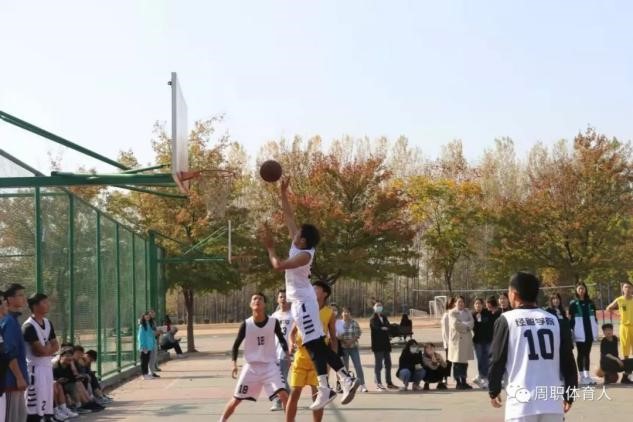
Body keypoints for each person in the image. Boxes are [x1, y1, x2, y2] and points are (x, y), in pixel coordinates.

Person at [260, 176, 358, 409]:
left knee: (315, 344)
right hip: (299, 303)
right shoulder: (299, 244)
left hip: (304, 301)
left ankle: (344, 379)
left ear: (303, 240)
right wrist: (283, 193)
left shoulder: (305, 255)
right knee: (312, 344)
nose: (293, 234)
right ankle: (327, 387)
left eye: (297, 234)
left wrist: (270, 248)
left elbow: (278, 265)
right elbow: (289, 216)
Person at [489, 272, 577, 422]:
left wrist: (494, 389)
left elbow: (497, 359)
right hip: (552, 403)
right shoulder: (555, 321)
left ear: (514, 294)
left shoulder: (506, 320)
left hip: (521, 404)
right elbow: (568, 362)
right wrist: (570, 395)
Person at [220, 293, 289, 421]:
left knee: (284, 395)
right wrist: (234, 364)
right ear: (250, 304)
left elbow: (281, 339)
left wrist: (287, 354)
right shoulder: (246, 324)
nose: (257, 300)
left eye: (260, 299)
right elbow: (236, 345)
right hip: (251, 367)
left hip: (270, 366)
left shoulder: (273, 322)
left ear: (264, 304)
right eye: (254, 299)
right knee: (236, 399)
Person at [285, 282, 336, 422]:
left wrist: (332, 362)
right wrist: (291, 343)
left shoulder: (329, 313)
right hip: (300, 358)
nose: (312, 290)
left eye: (316, 288)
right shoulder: (304, 308)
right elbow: (292, 332)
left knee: (318, 396)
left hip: (318, 360)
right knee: (294, 393)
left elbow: (333, 339)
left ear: (325, 294)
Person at [22, 293, 60, 422]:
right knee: (34, 406)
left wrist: (46, 350)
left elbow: (56, 346)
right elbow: (39, 351)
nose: (48, 304)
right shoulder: (29, 326)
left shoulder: (48, 323)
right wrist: (47, 348)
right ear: (35, 306)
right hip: (35, 370)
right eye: (44, 302)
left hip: (47, 367)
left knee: (46, 404)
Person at [0, 283, 28, 422]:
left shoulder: (13, 320)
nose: (24, 298)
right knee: (11, 418)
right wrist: (19, 377)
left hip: (15, 380)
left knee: (20, 417)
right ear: (9, 299)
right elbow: (9, 352)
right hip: (11, 380)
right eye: (20, 295)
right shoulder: (9, 321)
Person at [569, 282, 598, 385]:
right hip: (579, 333)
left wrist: (595, 329)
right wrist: (571, 330)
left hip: (589, 332)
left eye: (583, 288)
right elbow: (571, 319)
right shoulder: (573, 304)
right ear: (576, 290)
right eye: (579, 289)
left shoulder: (590, 302)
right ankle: (581, 377)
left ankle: (587, 376)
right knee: (581, 354)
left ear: (585, 290)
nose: (581, 290)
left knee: (587, 354)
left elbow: (594, 317)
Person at [269, 289, 294, 412]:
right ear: (277, 300)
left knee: (280, 377)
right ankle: (290, 398)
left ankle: (278, 401)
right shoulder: (274, 316)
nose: (283, 299)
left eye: (285, 297)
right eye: (281, 297)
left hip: (287, 351)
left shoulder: (293, 315)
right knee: (278, 377)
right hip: (275, 351)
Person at [337, 307, 367, 392]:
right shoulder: (339, 323)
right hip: (343, 348)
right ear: (342, 314)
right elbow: (338, 335)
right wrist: (344, 341)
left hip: (353, 348)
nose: (346, 314)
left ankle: (362, 385)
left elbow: (358, 334)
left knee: (358, 366)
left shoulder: (354, 323)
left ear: (350, 314)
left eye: (347, 312)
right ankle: (347, 385)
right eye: (344, 312)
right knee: (344, 368)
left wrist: (350, 341)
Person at [448, 296, 474, 389]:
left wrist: (464, 324)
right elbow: (455, 324)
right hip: (457, 340)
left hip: (466, 340)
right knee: (457, 362)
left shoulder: (467, 312)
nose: (461, 303)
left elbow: (472, 322)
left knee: (464, 362)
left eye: (462, 302)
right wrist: (466, 326)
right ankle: (458, 382)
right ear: (455, 303)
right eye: (459, 302)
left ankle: (464, 381)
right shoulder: (452, 312)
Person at [370, 300, 397, 391]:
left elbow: (388, 326)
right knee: (379, 365)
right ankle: (378, 383)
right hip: (378, 345)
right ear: (374, 308)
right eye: (377, 306)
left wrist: (385, 328)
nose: (379, 307)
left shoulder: (384, 317)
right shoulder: (372, 319)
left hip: (386, 345)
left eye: (380, 306)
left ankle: (389, 382)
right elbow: (376, 328)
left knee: (388, 364)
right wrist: (383, 328)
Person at [605, 280, 633, 359]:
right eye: (626, 287)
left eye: (630, 287)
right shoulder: (619, 300)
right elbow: (608, 308)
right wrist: (617, 314)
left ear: (632, 289)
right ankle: (627, 365)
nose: (628, 289)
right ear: (622, 289)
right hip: (624, 326)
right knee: (625, 346)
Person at [472, 297, 494, 389]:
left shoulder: (488, 313)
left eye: (479, 303)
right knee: (480, 359)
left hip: (488, 340)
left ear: (482, 305)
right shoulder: (472, 315)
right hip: (477, 341)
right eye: (476, 304)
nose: (478, 305)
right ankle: (482, 376)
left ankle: (486, 377)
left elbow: (492, 325)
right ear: (474, 305)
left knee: (487, 359)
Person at [440, 296, 456, 385]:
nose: (456, 305)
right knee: (449, 361)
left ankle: (457, 378)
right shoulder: (447, 315)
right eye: (454, 303)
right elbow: (445, 332)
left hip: (456, 342)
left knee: (457, 361)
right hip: (450, 343)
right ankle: (444, 377)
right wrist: (449, 343)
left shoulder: (454, 314)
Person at [137, 312, 156, 380]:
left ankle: (146, 374)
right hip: (144, 347)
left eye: (148, 316)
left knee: (147, 360)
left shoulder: (149, 325)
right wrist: (142, 346)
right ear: (143, 317)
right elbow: (140, 337)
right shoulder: (142, 326)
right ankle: (144, 375)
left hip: (149, 347)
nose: (147, 317)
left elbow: (151, 335)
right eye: (146, 316)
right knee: (144, 361)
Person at [147, 309, 161, 377]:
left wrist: (158, 332)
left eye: (153, 313)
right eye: (151, 313)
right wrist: (155, 332)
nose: (153, 314)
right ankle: (150, 372)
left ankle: (152, 371)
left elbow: (154, 329)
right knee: (151, 357)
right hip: (149, 341)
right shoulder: (147, 322)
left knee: (154, 356)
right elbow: (149, 331)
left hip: (154, 339)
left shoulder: (153, 321)